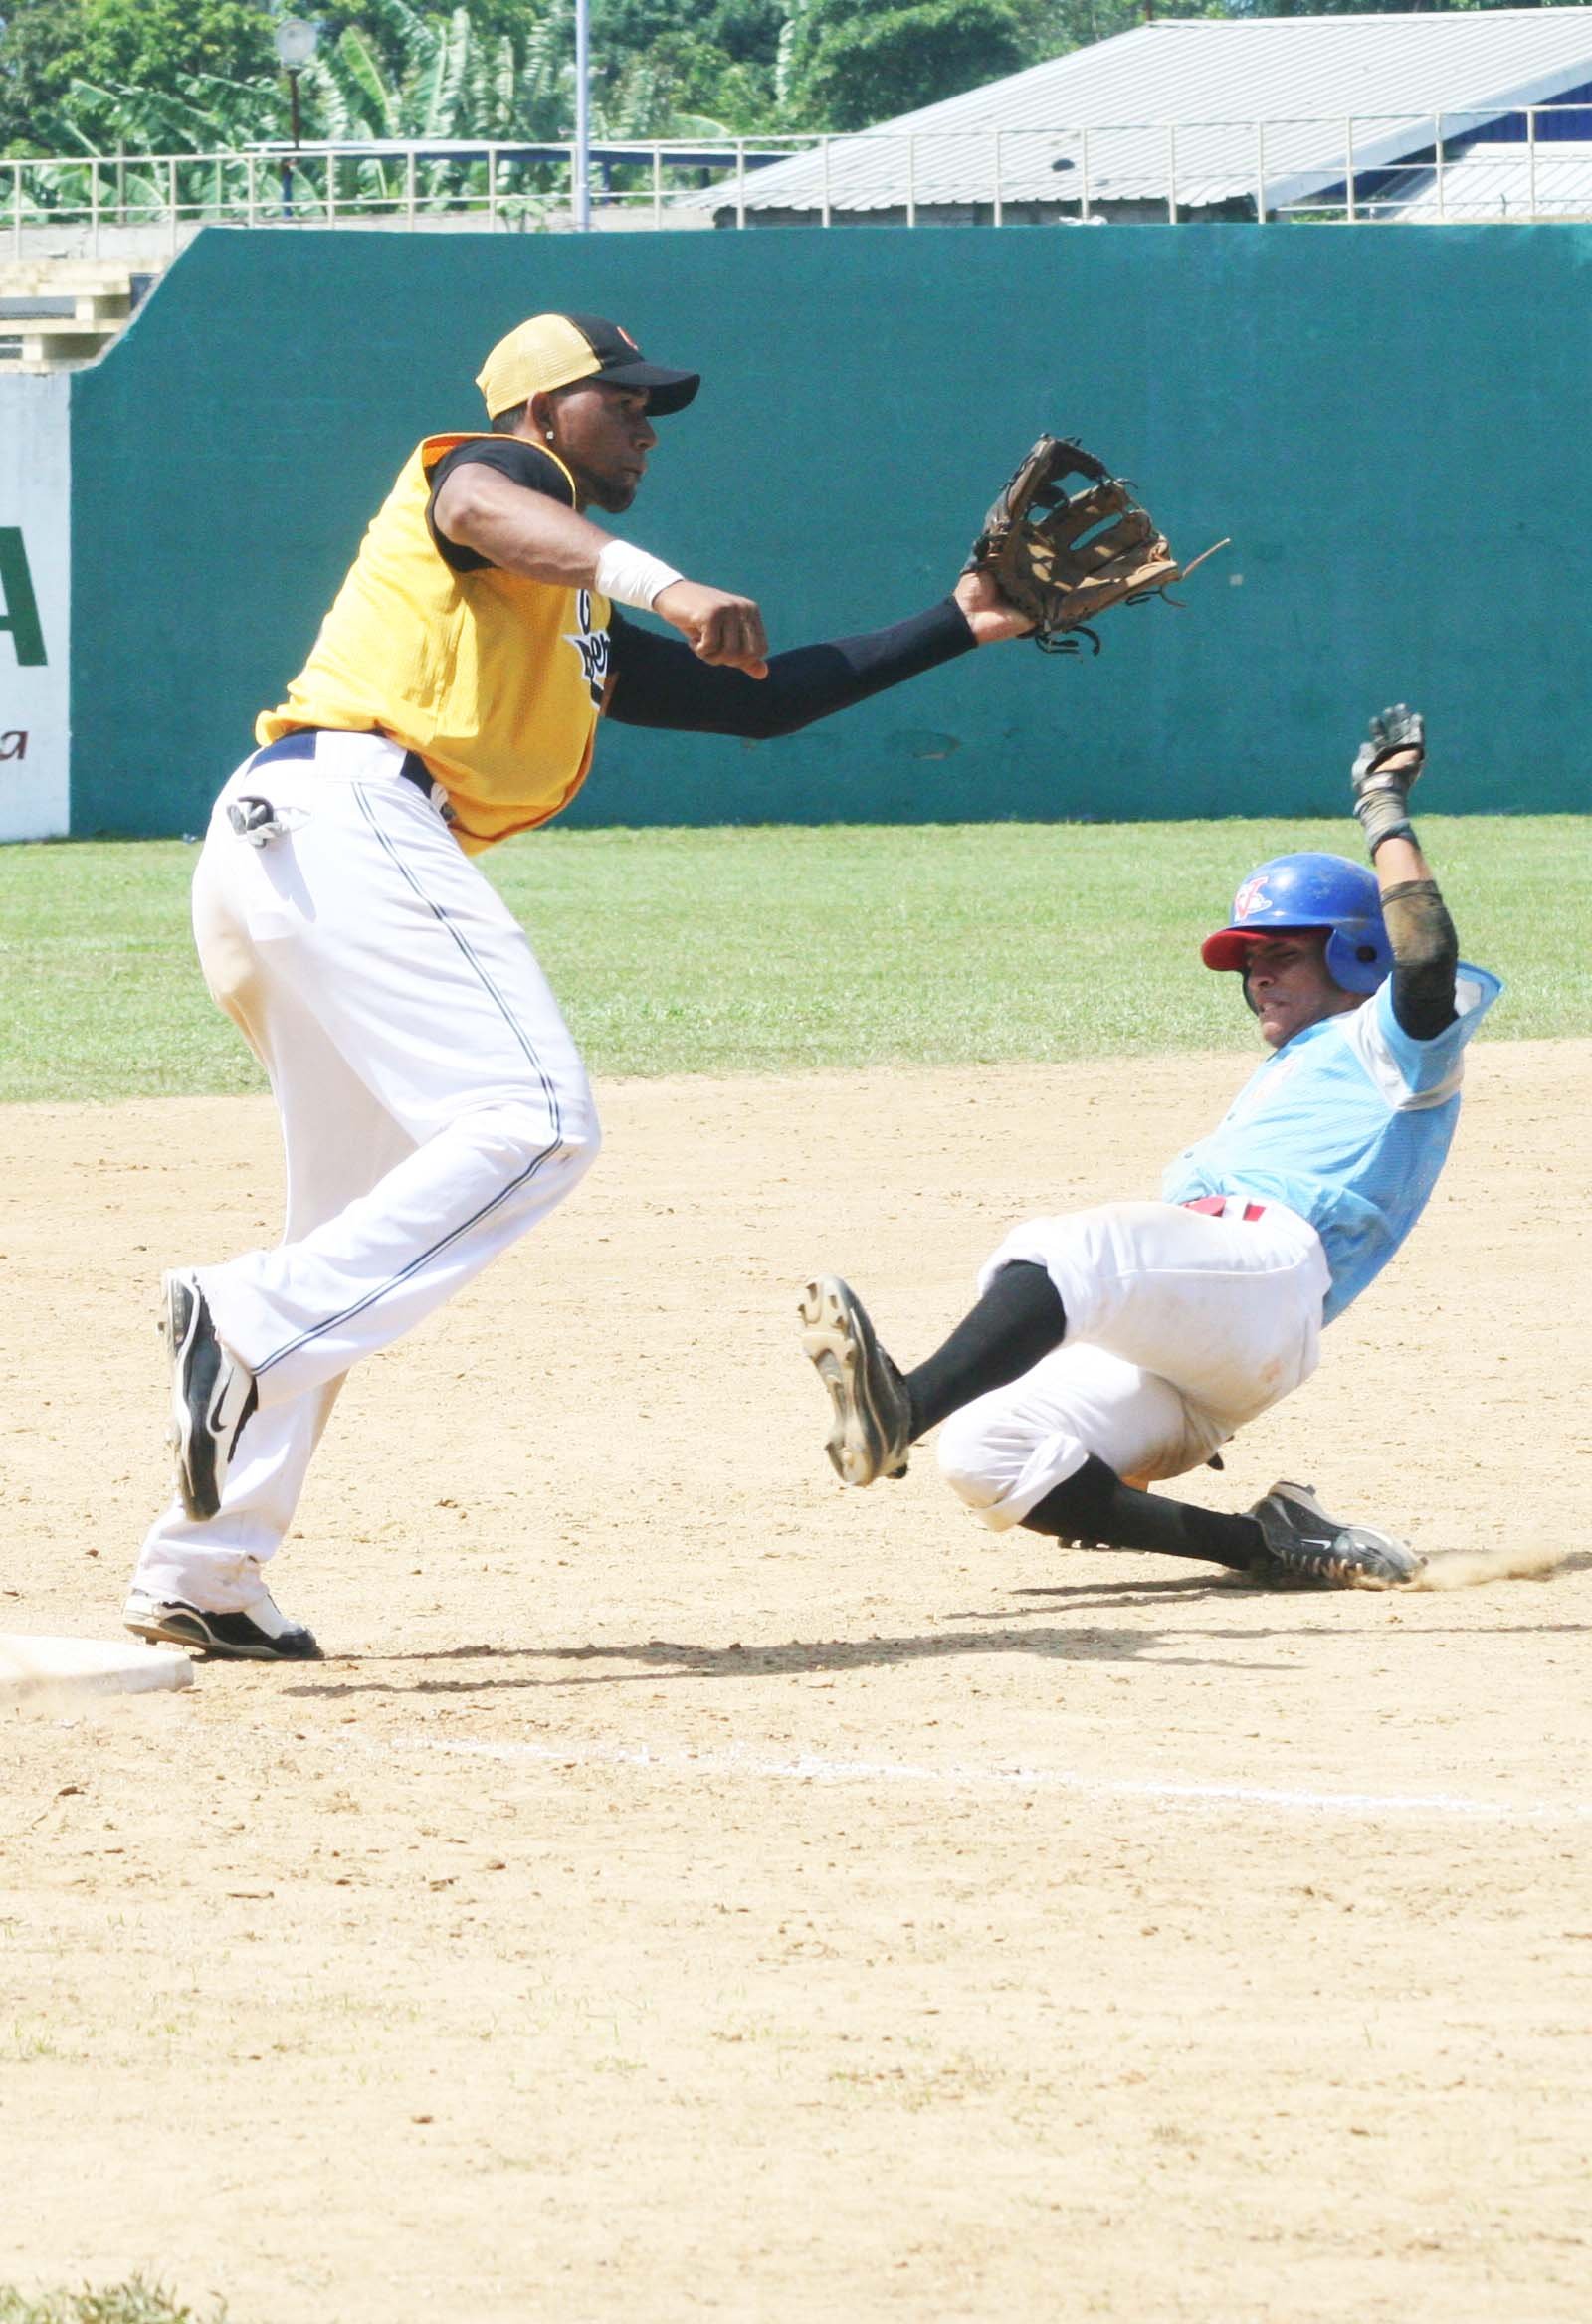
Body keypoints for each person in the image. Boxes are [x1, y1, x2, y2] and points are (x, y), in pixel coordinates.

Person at [123, 310, 1031, 1661]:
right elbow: (490, 509)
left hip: (298, 856)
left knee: (354, 1236)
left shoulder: (569, 616)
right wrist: (668, 583)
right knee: (536, 1118)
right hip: (351, 817)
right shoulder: (488, 473)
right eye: (625, 401)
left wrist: (962, 622)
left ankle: (207, 1567)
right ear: (545, 412)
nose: (650, 424)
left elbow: (761, 699)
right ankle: (246, 1320)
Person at [799, 705, 1500, 1589]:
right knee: (986, 1449)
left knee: (1074, 1246)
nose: (1258, 976)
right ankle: (1269, 1546)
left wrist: (1383, 805)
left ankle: (902, 1409)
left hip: (1269, 1281)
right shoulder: (1285, 1075)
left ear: (1358, 955)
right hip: (1204, 1346)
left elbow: (1428, 960)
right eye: (1248, 963)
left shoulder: (1394, 1046)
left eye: (1281, 953)